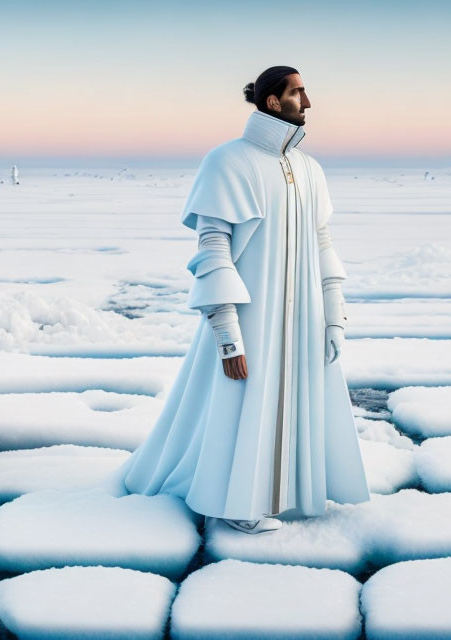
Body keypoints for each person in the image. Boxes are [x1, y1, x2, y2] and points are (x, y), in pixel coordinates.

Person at [120, 66, 370, 535]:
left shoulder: (309, 168)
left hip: (304, 320)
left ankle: (289, 493)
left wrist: (333, 318)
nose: (308, 102)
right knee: (242, 407)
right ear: (272, 101)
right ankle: (236, 502)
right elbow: (212, 248)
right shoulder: (227, 162)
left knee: (297, 404)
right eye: (298, 92)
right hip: (251, 317)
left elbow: (322, 244)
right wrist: (228, 336)